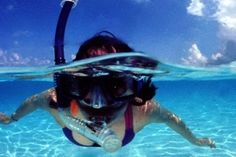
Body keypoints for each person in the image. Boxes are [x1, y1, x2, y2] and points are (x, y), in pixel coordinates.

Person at [0, 32, 216, 152]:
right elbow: (33, 102)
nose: (97, 103)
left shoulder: (143, 111)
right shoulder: (57, 101)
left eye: (115, 86)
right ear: (71, 83)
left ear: (136, 90)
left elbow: (172, 120)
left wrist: (195, 140)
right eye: (85, 85)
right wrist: (12, 118)